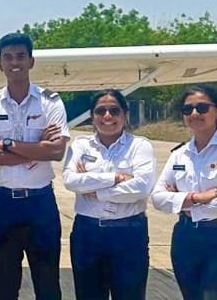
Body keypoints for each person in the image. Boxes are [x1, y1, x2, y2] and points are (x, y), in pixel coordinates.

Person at [0, 33, 70, 299]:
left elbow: (57, 150)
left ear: (31, 61)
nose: (14, 62)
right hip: (3, 203)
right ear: (1, 65)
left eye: (20, 56)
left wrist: (4, 143)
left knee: (48, 280)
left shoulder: (50, 101)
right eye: (8, 57)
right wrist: (36, 149)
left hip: (40, 204)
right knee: (5, 282)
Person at [151, 84, 217, 300]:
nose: (195, 113)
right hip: (186, 239)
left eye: (202, 108)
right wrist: (197, 198)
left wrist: (184, 205)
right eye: (188, 109)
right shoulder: (179, 154)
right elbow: (158, 197)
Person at [62, 89, 155, 300]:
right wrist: (114, 178)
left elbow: (140, 188)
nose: (107, 117)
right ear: (92, 115)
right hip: (88, 232)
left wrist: (96, 190)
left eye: (114, 111)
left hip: (128, 232)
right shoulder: (80, 145)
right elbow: (71, 181)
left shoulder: (140, 146)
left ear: (125, 114)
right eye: (100, 111)